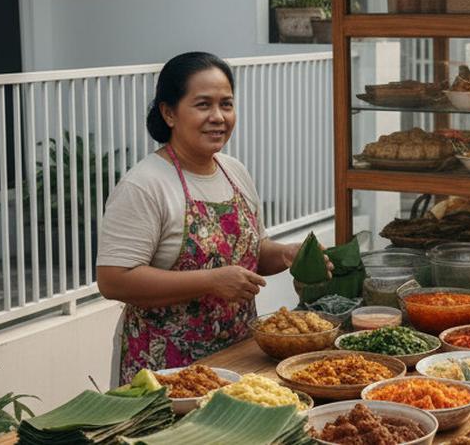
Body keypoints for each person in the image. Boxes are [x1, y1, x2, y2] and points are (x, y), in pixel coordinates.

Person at [96, 52, 329, 384]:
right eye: (203, 105)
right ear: (169, 113)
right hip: (166, 371)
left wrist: (287, 254)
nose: (218, 117)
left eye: (226, 104)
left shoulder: (234, 171)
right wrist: (210, 281)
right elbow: (114, 280)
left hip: (238, 358)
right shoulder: (145, 185)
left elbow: (251, 250)